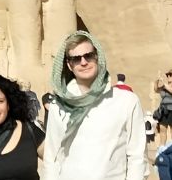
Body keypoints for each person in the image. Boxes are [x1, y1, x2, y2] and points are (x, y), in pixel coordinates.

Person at [43, 31, 146, 180]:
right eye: (76, 59)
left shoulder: (126, 101)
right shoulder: (58, 106)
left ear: (97, 57)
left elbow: (137, 156)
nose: (84, 62)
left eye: (88, 56)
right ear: (69, 65)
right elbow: (51, 158)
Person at [154, 69, 172, 146]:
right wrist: (156, 81)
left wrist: (164, 83)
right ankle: (162, 148)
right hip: (164, 109)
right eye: (167, 75)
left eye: (170, 75)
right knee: (162, 129)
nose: (168, 77)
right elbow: (156, 90)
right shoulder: (165, 86)